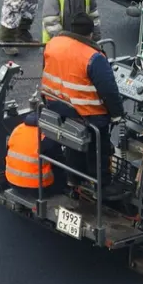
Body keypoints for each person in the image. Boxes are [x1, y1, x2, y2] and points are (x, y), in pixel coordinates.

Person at [39, 12, 122, 170]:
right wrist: (117, 114)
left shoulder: (53, 44)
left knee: (72, 142)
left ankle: (74, 178)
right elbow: (109, 90)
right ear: (90, 34)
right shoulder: (93, 57)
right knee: (100, 144)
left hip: (56, 104)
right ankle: (101, 183)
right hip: (86, 112)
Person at [2, 110, 59, 197]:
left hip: (12, 182)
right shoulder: (46, 136)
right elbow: (58, 160)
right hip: (37, 188)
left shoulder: (17, 129)